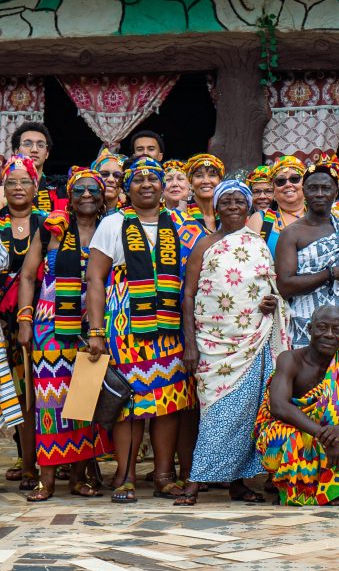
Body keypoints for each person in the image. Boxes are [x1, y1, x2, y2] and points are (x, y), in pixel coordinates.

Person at [85, 157, 204, 503]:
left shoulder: (182, 224)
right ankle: (125, 477)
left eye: (154, 178)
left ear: (164, 185)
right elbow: (95, 279)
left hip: (168, 324)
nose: (148, 184)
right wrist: (95, 330)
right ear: (127, 187)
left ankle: (165, 476)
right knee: (128, 402)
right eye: (139, 179)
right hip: (126, 324)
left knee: (168, 401)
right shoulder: (113, 223)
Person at [176, 179, 288, 506]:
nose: (234, 207)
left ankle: (238, 484)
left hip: (252, 342)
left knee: (247, 415)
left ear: (249, 206)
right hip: (213, 344)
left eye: (240, 201)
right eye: (227, 202)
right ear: (216, 207)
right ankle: (195, 482)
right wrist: (191, 345)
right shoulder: (203, 244)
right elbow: (188, 295)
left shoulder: (257, 244)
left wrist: (271, 302)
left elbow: (272, 289)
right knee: (215, 413)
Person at [17, 167, 108, 501]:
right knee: (49, 403)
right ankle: (48, 481)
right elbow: (28, 276)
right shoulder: (52, 229)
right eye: (79, 190)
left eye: (93, 190)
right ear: (69, 196)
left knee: (84, 401)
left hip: (93, 325)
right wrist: (25, 320)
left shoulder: (109, 230)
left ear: (102, 197)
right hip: (50, 325)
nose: (86, 195)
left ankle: (78, 479)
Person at [255, 305, 339, 505]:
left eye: (337, 330)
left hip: (332, 431)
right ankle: (310, 490)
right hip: (297, 430)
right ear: (309, 329)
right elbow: (279, 406)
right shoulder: (290, 359)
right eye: (322, 327)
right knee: (296, 441)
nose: (329, 335)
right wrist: (325, 436)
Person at [275, 158, 339, 348]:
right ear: (304, 191)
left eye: (326, 188)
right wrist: (332, 273)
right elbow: (285, 286)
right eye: (313, 188)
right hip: (306, 326)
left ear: (335, 192)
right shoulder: (291, 234)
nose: (319, 193)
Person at [0, 155, 46, 489]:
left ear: (36, 185)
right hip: (3, 322)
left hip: (40, 319)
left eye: (24, 181)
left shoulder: (49, 222)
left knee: (35, 392)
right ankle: (24, 460)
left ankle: (38, 463)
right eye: (11, 182)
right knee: (12, 393)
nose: (18, 187)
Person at [247, 156, 307, 257]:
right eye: (280, 181)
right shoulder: (260, 220)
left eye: (294, 179)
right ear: (274, 192)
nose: (288, 184)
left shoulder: (321, 215)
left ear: (304, 185)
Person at [11, 121, 57, 212]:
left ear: (47, 154)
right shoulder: (6, 189)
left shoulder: (59, 188)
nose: (34, 150)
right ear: (16, 151)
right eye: (27, 144)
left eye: (40, 145)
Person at [184, 153, 225, 233]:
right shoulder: (182, 213)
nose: (206, 181)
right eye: (199, 176)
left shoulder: (227, 212)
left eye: (212, 175)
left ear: (220, 182)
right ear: (190, 183)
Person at [91, 148, 126, 214]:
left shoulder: (131, 212)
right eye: (104, 174)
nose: (111, 179)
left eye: (117, 175)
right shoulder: (82, 209)